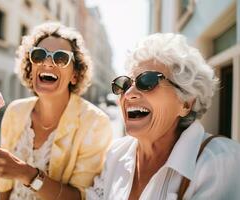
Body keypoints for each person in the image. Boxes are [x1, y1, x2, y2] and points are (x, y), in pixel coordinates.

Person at [86, 33, 240, 200]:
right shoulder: (115, 153)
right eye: (125, 84)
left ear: (186, 103)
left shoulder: (223, 162)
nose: (128, 94)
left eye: (147, 81)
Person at [0, 22, 112, 200]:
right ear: (30, 69)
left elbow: (80, 198)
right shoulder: (15, 111)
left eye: (61, 58)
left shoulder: (95, 122)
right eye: (39, 55)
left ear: (74, 75)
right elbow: (5, 186)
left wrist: (27, 174)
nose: (47, 62)